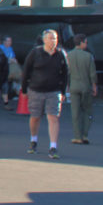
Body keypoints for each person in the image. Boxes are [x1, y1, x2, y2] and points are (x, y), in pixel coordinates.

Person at [21, 28, 68, 159]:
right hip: (36, 90)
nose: (53, 41)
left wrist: (63, 91)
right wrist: (24, 89)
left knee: (53, 117)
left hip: (54, 91)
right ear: (44, 40)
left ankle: (53, 146)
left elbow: (65, 74)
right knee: (35, 116)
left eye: (55, 38)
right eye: (51, 38)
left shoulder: (60, 54)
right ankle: (33, 140)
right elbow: (26, 71)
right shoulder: (35, 53)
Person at [66, 33, 97, 145]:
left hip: (74, 87)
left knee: (75, 112)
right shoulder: (88, 56)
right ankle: (85, 135)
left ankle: (77, 136)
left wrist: (67, 86)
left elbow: (67, 73)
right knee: (87, 110)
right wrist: (94, 86)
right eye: (86, 42)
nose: (86, 44)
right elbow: (92, 74)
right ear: (82, 42)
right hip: (85, 87)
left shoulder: (68, 55)